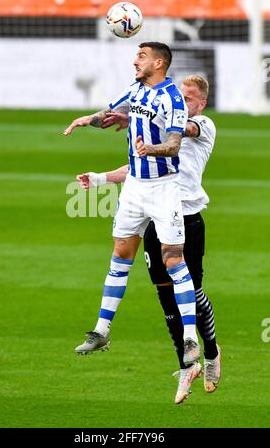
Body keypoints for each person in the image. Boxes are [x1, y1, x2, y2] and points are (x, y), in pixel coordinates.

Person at [76, 75, 220, 404]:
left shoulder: (203, 125)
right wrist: (100, 178)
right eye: (179, 97)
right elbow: (137, 169)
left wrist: (140, 117)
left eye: (189, 99)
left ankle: (212, 353)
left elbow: (184, 129)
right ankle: (187, 366)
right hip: (156, 215)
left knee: (193, 294)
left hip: (187, 217)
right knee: (166, 297)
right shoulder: (163, 127)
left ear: (201, 104)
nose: (183, 103)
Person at [63, 42, 201, 370]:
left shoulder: (172, 99)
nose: (135, 61)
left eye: (141, 56)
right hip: (134, 188)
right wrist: (88, 119)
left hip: (164, 189)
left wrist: (149, 149)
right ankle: (102, 330)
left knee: (173, 259)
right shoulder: (137, 89)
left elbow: (173, 145)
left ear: (159, 62)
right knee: (121, 254)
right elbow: (111, 114)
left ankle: (190, 337)